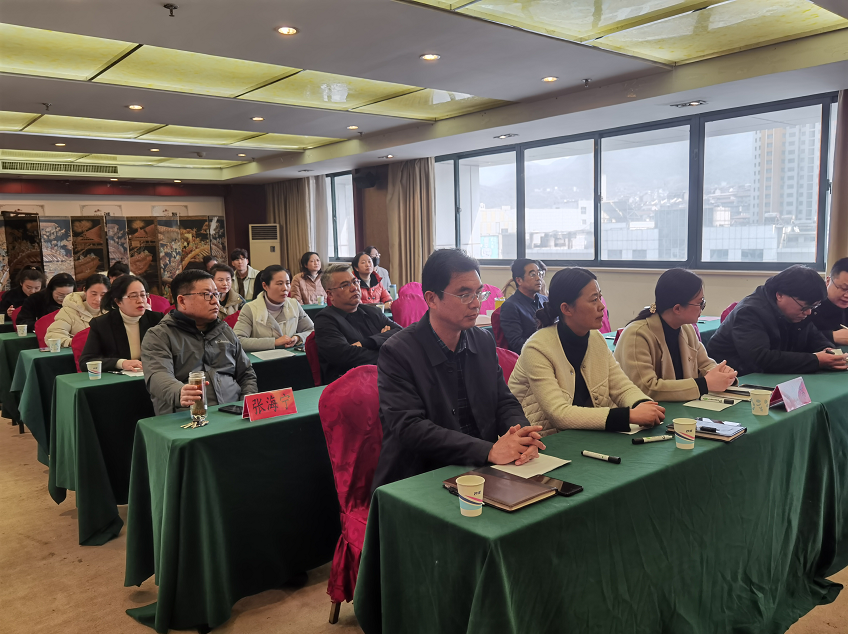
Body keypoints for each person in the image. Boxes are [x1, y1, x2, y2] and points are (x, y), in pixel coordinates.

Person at [372, 249, 545, 490]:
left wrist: (521, 436)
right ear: (432, 299)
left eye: (478, 293)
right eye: (464, 295)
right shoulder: (398, 351)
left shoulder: (482, 340)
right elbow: (410, 427)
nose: (476, 303)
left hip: (480, 469)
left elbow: (503, 401)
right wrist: (488, 451)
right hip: (421, 476)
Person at [509, 267, 665, 434]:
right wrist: (629, 416)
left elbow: (622, 388)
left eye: (600, 297)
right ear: (566, 309)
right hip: (541, 440)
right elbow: (558, 414)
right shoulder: (537, 348)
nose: (602, 306)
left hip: (584, 435)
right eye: (593, 300)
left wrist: (644, 405)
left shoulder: (595, 338)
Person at [142, 269, 257, 416]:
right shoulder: (159, 335)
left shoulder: (225, 330)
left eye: (216, 294)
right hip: (186, 416)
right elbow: (158, 376)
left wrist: (246, 403)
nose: (215, 301)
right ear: (182, 301)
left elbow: (246, 373)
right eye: (207, 295)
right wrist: (179, 392)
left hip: (233, 412)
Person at [614, 269, 738, 402]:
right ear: (677, 308)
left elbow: (705, 365)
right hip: (644, 411)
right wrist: (704, 384)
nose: (702, 307)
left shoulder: (687, 329)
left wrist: (723, 375)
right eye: (700, 303)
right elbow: (646, 388)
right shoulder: (637, 335)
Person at [707, 264, 847, 375]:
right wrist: (816, 360)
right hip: (735, 378)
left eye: (813, 307)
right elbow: (761, 359)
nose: (809, 312)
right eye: (805, 307)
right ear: (779, 295)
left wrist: (828, 351)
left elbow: (813, 337)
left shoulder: (798, 312)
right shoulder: (750, 312)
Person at [313, 263, 401, 383]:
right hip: (349, 383)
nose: (354, 288)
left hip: (383, 376)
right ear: (330, 294)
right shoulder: (325, 320)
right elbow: (345, 356)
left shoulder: (372, 311)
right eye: (345, 285)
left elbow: (400, 333)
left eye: (355, 282)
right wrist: (385, 346)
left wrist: (367, 343)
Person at [79, 274, 164, 372]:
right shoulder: (102, 324)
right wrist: (121, 363)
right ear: (118, 301)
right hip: (119, 378)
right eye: (133, 296)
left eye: (143, 295)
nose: (140, 301)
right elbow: (86, 362)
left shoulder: (157, 319)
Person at [234, 265, 313, 352]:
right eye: (280, 284)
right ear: (265, 286)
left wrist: (298, 338)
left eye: (287, 283)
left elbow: (312, 330)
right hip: (263, 359)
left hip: (292, 358)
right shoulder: (250, 308)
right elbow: (238, 340)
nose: (285, 288)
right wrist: (274, 342)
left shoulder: (294, 304)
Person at [44, 274, 110, 347]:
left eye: (103, 295)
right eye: (94, 294)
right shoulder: (70, 310)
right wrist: (73, 342)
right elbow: (53, 335)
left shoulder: (113, 311)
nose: (98, 299)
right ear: (85, 290)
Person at [499, 258, 547, 353]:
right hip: (529, 355)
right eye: (533, 274)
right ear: (519, 280)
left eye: (539, 273)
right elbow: (517, 343)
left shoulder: (545, 300)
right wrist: (545, 345)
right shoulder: (510, 306)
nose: (538, 278)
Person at [810, 257, 848, 347]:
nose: (847, 295)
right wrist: (832, 336)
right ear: (828, 281)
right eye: (844, 288)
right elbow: (796, 339)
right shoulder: (810, 305)